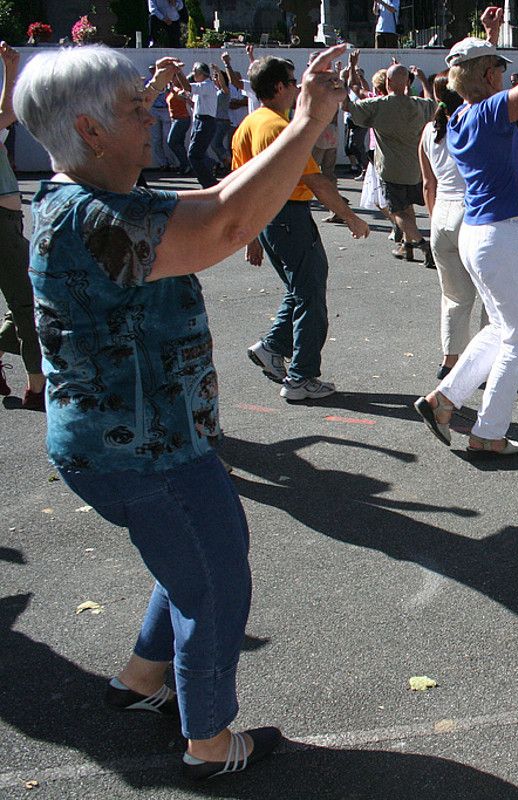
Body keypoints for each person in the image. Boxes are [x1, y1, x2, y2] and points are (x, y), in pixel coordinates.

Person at [15, 41, 352, 779]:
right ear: (90, 129)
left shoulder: (85, 199)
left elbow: (209, 206)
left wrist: (306, 122)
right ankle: (208, 742)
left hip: (129, 445)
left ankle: (140, 680)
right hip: (147, 452)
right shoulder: (91, 217)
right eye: (137, 110)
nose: (156, 116)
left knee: (187, 560)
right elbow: (223, 228)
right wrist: (305, 125)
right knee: (214, 577)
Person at [414, 0, 518, 457]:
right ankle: (487, 432)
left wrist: (492, 31)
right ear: (489, 77)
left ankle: (444, 400)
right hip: (500, 236)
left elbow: (469, 69)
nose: (505, 76)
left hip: (479, 235)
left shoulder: (462, 114)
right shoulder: (486, 114)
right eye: (499, 70)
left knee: (503, 328)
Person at [235, 54, 370, 402]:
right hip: (288, 217)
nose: (297, 88)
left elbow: (239, 182)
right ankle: (301, 377)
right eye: (293, 82)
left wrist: (253, 233)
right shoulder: (279, 129)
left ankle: (272, 347)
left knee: (300, 289)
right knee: (311, 296)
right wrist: (350, 216)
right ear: (279, 87)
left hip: (271, 217)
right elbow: (315, 181)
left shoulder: (251, 124)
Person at [418, 74, 486, 380]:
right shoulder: (472, 125)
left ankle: (450, 361)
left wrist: (435, 219)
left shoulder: (429, 130)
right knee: (489, 295)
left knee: (454, 297)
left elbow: (427, 184)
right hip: (470, 213)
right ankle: (484, 363)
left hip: (441, 216)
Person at [345, 50, 436, 265]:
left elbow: (352, 96)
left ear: (388, 81)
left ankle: (424, 245)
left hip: (390, 169)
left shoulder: (378, 105)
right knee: (408, 209)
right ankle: (408, 247)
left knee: (397, 212)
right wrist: (424, 81)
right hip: (414, 169)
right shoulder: (418, 104)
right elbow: (433, 103)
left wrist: (351, 68)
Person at [0, 44, 43, 410]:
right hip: (1, 219)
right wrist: (11, 70)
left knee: (22, 302)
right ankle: (36, 386)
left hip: (7, 218)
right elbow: (7, 113)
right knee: (25, 302)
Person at [177, 62, 220, 187]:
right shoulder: (206, 87)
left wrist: (178, 72)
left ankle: (209, 184)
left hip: (205, 122)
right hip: (201, 121)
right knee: (197, 155)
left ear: (201, 73)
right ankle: (209, 179)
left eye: (195, 71)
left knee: (194, 155)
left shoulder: (207, 85)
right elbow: (190, 95)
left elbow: (188, 87)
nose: (193, 74)